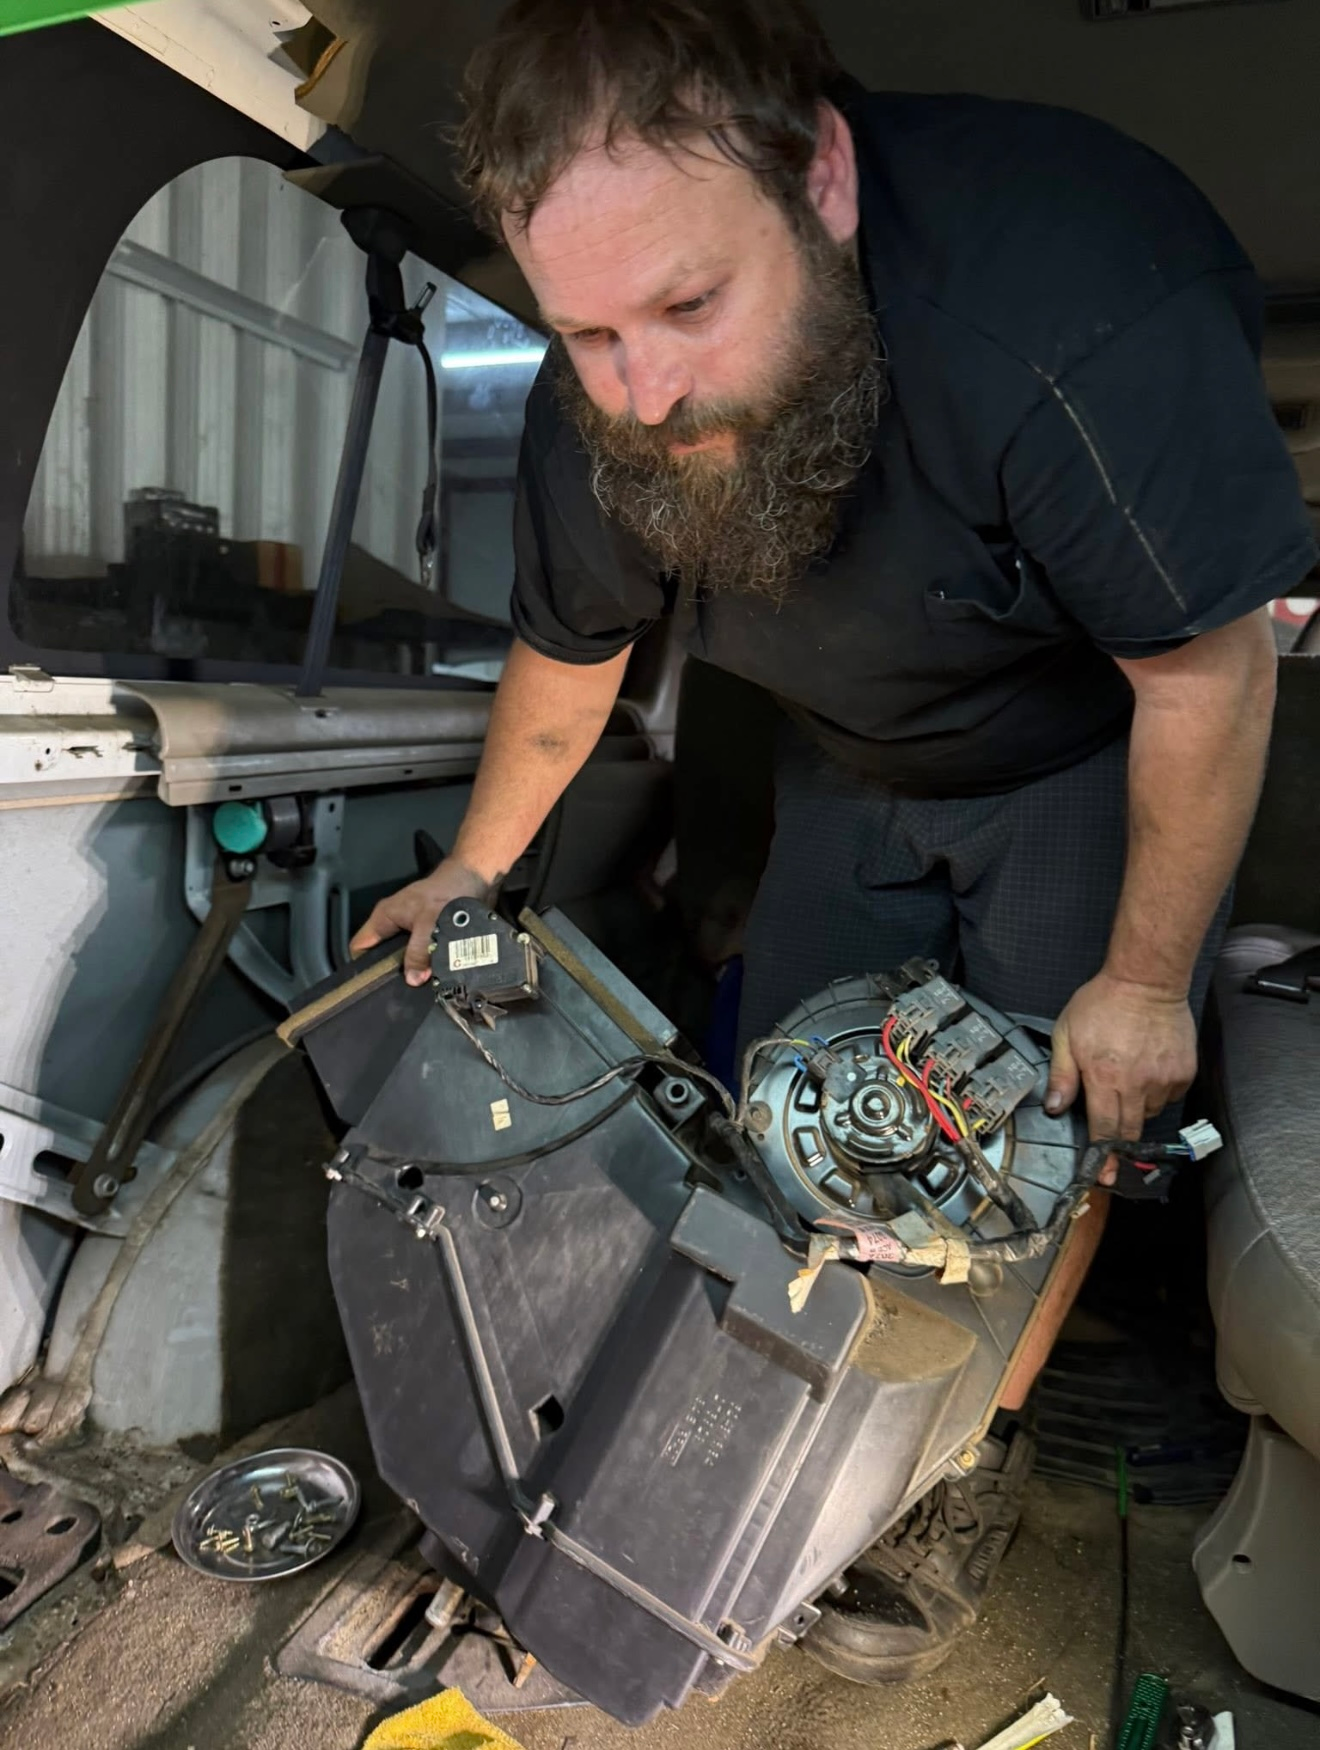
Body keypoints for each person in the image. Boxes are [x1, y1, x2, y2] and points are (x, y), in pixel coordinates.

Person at [350, 0, 1315, 1665]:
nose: (642, 391)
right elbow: (569, 666)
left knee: (1026, 1134)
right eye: (586, 335)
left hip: (1087, 758)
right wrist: (470, 870)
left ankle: (961, 1461)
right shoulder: (611, 402)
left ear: (825, 178)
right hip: (847, 763)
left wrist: (1149, 983)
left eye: (688, 304)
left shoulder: (1071, 309)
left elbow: (1207, 673)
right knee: (787, 1106)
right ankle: (756, 1413)